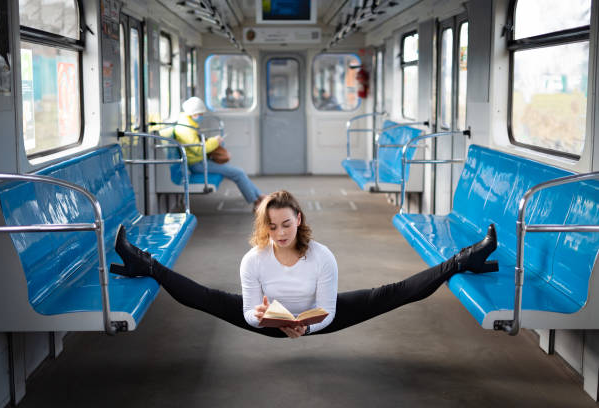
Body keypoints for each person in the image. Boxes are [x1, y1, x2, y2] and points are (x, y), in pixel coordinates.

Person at [110, 190, 499, 339]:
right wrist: (262, 317)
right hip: (270, 323)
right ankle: (143, 264)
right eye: (272, 227)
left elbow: (328, 312)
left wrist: (306, 329)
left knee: (390, 294)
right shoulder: (254, 260)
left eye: (286, 224)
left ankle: (463, 261)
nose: (280, 234)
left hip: (316, 318)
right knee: (208, 297)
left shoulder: (321, 256)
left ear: (298, 219)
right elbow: (247, 313)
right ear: (265, 227)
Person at [176, 96, 264, 210]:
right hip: (197, 165)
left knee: (238, 172)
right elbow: (198, 149)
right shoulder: (185, 129)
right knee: (238, 173)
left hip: (201, 161)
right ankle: (256, 201)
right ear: (193, 114)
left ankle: (259, 196)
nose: (201, 116)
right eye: (200, 114)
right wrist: (215, 141)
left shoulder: (188, 125)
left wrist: (213, 141)